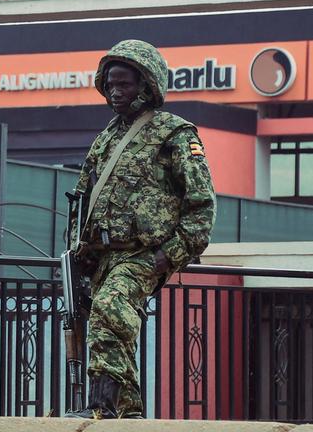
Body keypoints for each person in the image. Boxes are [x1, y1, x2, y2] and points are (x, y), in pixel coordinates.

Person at [64, 40, 216, 420]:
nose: (116, 91)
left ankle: (100, 406)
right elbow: (82, 198)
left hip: (143, 253)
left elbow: (202, 205)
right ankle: (129, 416)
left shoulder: (175, 133)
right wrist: (77, 253)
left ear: (147, 85)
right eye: (111, 84)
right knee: (117, 326)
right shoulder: (108, 136)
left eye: (125, 84)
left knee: (111, 309)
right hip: (101, 256)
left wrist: (168, 256)